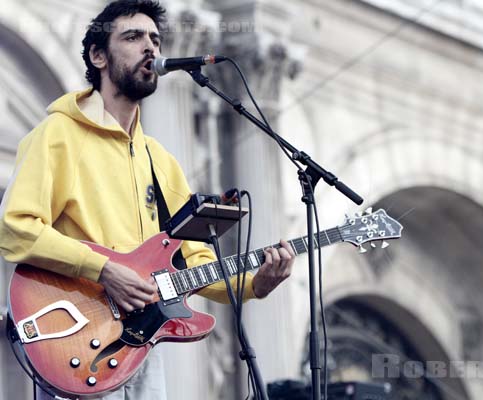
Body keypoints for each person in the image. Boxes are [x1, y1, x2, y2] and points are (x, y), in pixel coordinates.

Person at [0, 1, 295, 399]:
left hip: (142, 349)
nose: (151, 49)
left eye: (155, 39)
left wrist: (255, 284)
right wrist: (105, 270)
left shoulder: (161, 160)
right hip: (77, 338)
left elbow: (196, 263)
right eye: (133, 37)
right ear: (98, 55)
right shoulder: (56, 135)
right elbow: (15, 229)